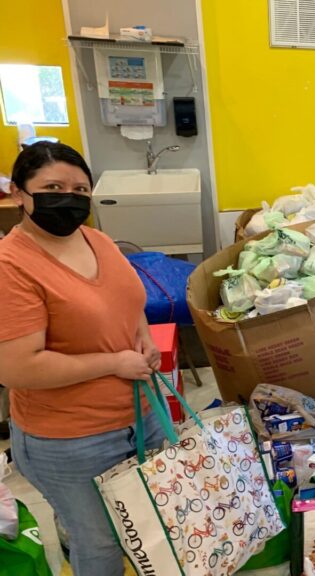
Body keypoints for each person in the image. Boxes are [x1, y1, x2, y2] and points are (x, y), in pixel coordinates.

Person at [0, 141, 165, 574]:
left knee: (148, 525)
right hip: (71, 439)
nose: (68, 198)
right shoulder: (11, 266)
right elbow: (17, 367)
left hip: (140, 413)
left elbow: (128, 302)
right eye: (53, 187)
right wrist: (113, 363)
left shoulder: (98, 241)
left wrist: (144, 338)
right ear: (18, 193)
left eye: (79, 190)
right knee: (101, 543)